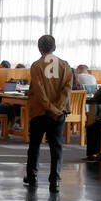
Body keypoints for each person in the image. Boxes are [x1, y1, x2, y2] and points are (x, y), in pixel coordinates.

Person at [24, 34, 73, 192]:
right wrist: (57, 108)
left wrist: (49, 107)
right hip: (59, 114)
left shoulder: (36, 66)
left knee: (35, 145)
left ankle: (32, 176)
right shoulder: (65, 65)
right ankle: (55, 180)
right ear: (55, 47)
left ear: (39, 48)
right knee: (56, 146)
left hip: (40, 111)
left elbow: (39, 91)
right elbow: (67, 89)